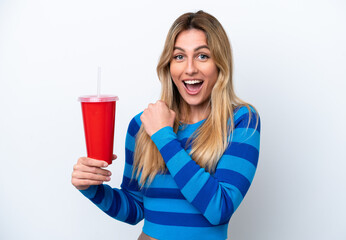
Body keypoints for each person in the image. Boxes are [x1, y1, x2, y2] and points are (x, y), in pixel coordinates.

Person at [71, 10, 260, 240]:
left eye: (202, 56)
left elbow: (218, 209)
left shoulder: (242, 120)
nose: (189, 68)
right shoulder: (142, 125)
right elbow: (135, 209)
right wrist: (91, 188)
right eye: (179, 56)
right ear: (168, 66)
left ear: (220, 64)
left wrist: (164, 136)